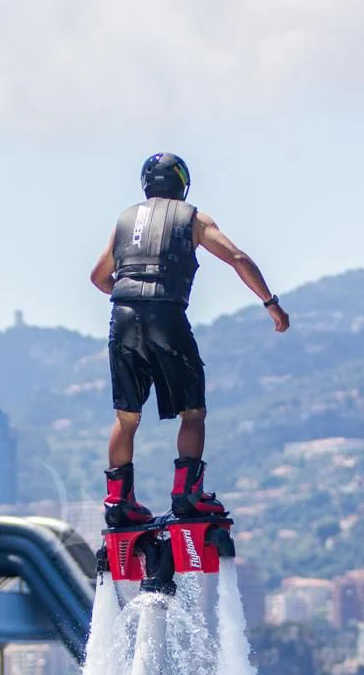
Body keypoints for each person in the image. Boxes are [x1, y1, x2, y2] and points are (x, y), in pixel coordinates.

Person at [90, 152, 290, 528]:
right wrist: (271, 303)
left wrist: (132, 293)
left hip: (124, 315)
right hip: (166, 314)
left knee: (127, 415)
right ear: (182, 184)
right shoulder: (194, 218)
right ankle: (187, 495)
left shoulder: (124, 222)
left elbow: (99, 277)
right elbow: (237, 257)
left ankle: (118, 501)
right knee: (192, 410)